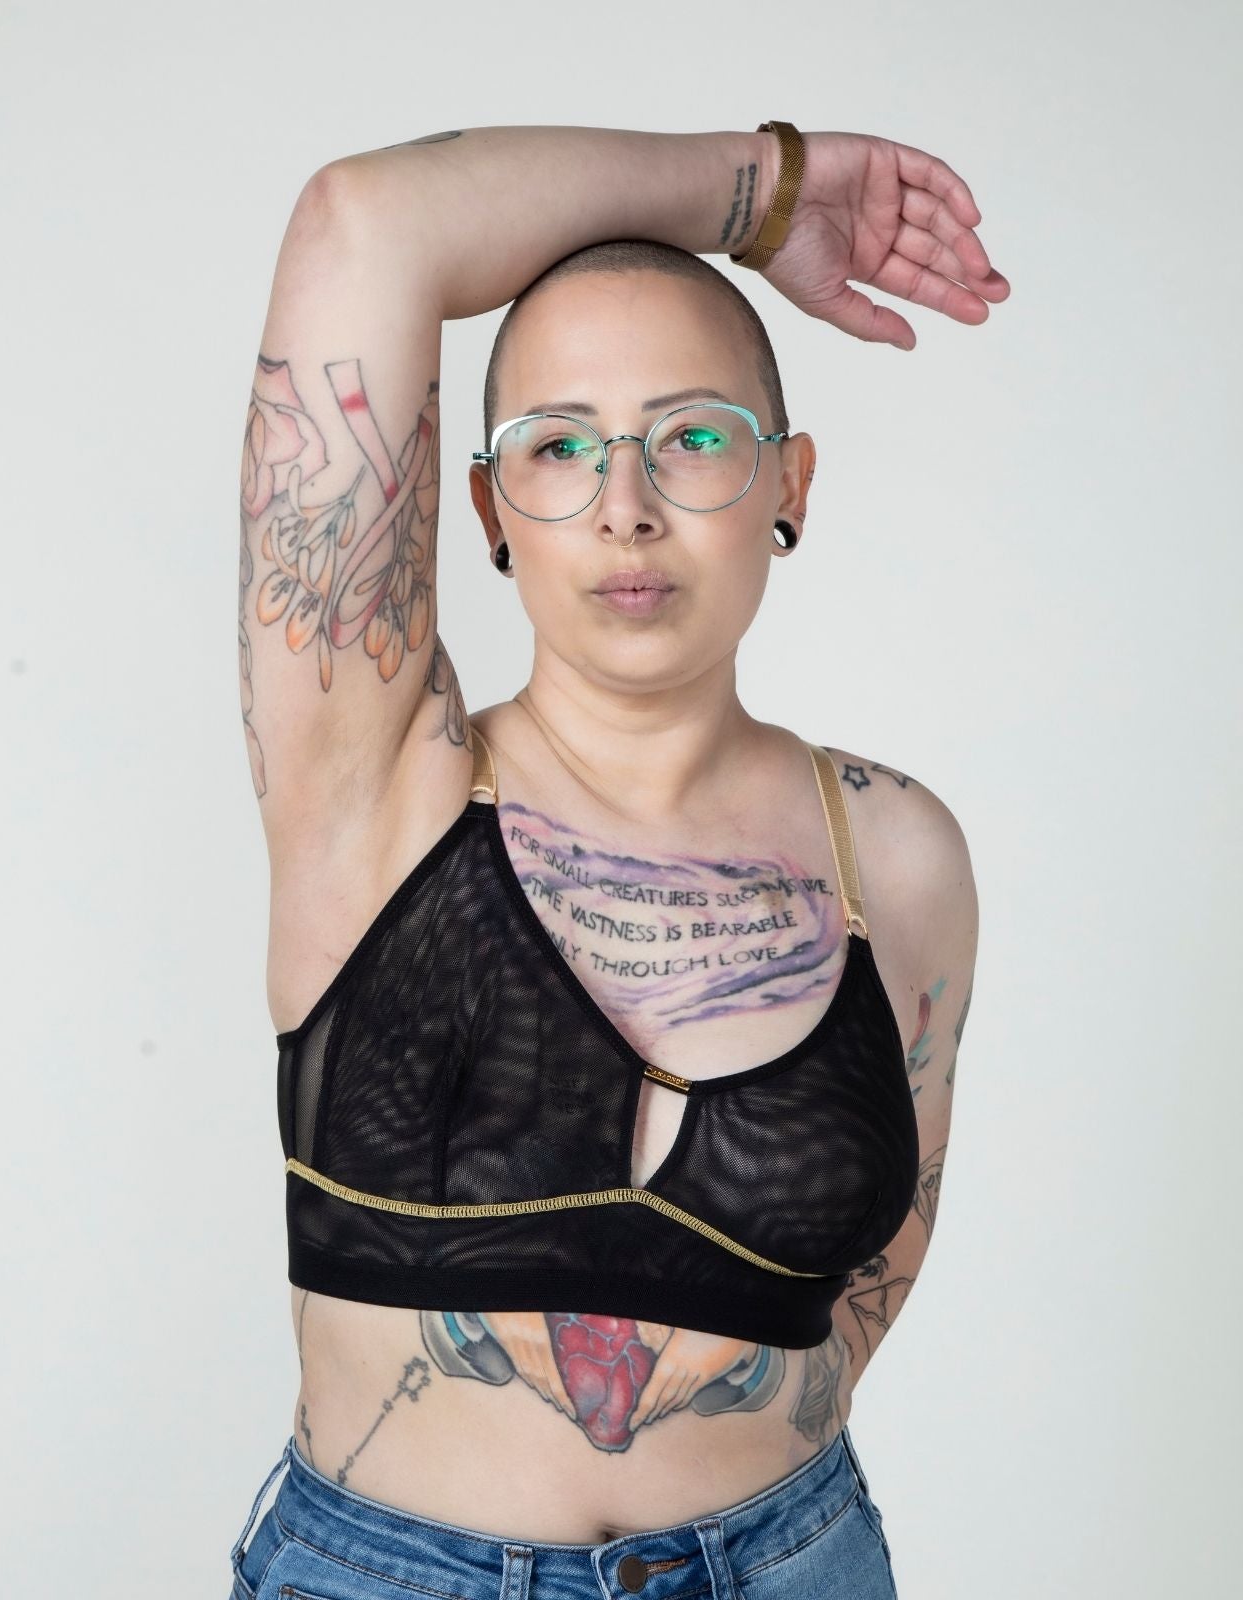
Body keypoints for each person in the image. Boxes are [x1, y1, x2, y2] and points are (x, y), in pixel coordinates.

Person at [232, 121, 1002, 1600]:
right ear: (488, 509)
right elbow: (365, 218)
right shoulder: (377, 787)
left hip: (792, 1561)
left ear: (790, 484)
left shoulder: (896, 852)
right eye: (561, 445)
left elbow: (872, 1270)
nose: (626, 505)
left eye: (693, 437)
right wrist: (762, 193)